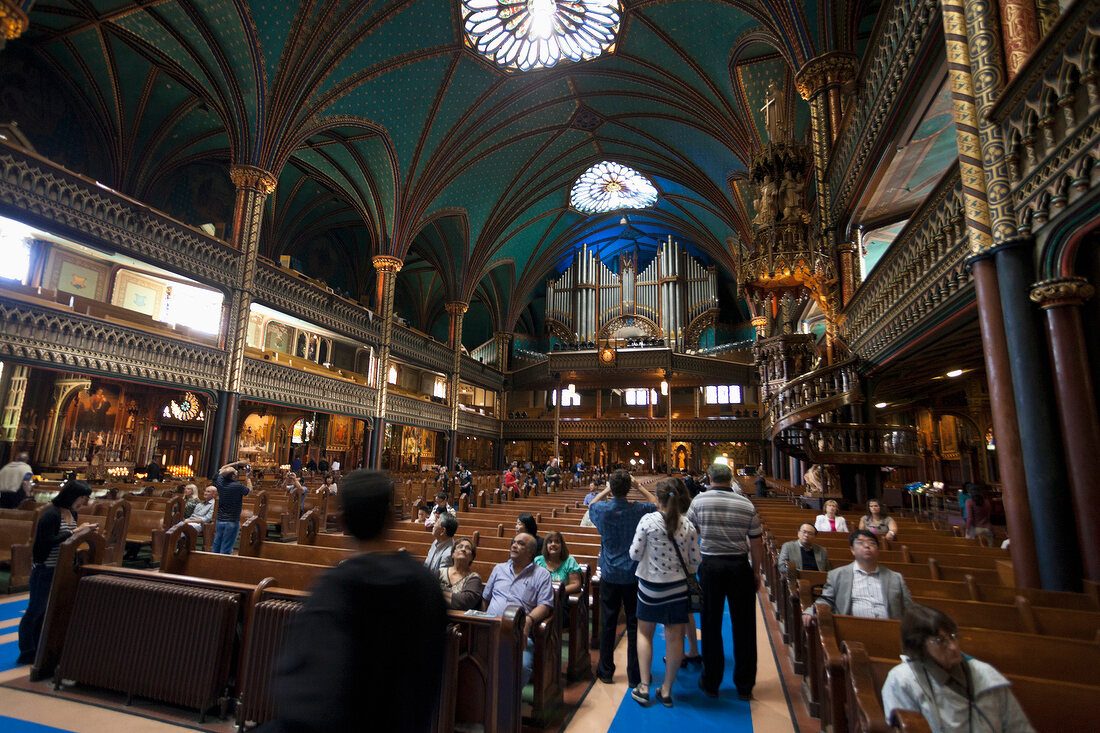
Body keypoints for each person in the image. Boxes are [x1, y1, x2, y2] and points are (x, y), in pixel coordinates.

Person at [264, 470, 446, 733]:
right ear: (391, 519)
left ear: (342, 523)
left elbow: (308, 698)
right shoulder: (425, 585)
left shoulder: (335, 587)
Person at [881, 604, 1035, 733]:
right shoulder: (902, 681)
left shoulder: (983, 672)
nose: (954, 647)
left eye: (953, 636)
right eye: (941, 641)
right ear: (919, 646)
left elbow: (1019, 726)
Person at [686, 462, 763, 701]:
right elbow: (756, 541)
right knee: (745, 626)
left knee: (710, 624)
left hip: (710, 566)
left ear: (709, 478)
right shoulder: (746, 503)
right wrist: (756, 571)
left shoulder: (698, 502)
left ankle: (711, 682)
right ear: (731, 479)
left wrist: (692, 564)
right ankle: (744, 685)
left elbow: (689, 534)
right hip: (739, 565)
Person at [628, 478, 701, 707]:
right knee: (675, 637)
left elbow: (634, 554)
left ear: (657, 499)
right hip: (677, 589)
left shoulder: (648, 521)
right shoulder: (687, 526)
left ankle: (644, 685)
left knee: (644, 634)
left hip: (650, 587)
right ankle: (667, 690)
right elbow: (695, 561)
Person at [587, 469, 657, 688]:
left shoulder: (602, 510)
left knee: (608, 623)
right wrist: (639, 487)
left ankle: (606, 671)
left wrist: (608, 488)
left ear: (612, 487)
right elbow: (657, 503)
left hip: (609, 572)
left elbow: (591, 505)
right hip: (633, 573)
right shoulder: (638, 510)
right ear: (629, 488)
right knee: (635, 625)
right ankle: (635, 675)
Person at [17, 480, 96, 664]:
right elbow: (47, 541)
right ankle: (26, 651)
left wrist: (82, 533)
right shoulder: (51, 515)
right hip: (44, 568)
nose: (82, 502)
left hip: (61, 568)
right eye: (81, 498)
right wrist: (76, 531)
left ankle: (39, 647)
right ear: (71, 495)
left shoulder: (72, 513)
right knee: (35, 611)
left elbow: (68, 541)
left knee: (47, 611)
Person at [482, 533, 555, 686]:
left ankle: (508, 705)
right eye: (513, 542)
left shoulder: (541, 575)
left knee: (521, 667)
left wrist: (529, 620)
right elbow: (486, 598)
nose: (514, 545)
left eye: (520, 543)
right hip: (491, 629)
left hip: (519, 633)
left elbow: (545, 605)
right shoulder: (499, 569)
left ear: (530, 552)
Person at [804, 529, 913, 622]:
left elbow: (909, 608)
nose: (867, 546)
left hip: (892, 633)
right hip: (851, 632)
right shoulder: (837, 575)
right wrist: (810, 612)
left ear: (878, 550)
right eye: (860, 542)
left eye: (872, 543)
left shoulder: (895, 578)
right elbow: (827, 600)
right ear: (852, 550)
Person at [212, 461, 252, 554]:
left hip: (220, 520)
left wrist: (237, 463)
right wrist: (248, 479)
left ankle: (213, 564)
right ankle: (223, 566)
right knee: (227, 547)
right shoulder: (237, 486)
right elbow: (250, 492)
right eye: (236, 472)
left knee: (216, 545)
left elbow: (222, 469)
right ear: (233, 477)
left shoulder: (220, 482)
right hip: (232, 521)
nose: (237, 472)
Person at [439, 537, 483, 611]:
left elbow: (465, 602)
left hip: (460, 620)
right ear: (452, 554)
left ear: (472, 557)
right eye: (460, 547)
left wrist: (438, 593)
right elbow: (428, 593)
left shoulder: (474, 578)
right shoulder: (440, 572)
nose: (463, 549)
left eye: (467, 548)